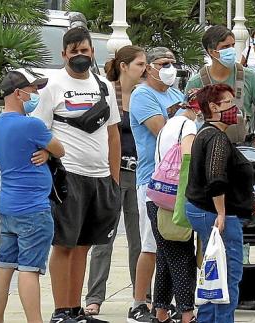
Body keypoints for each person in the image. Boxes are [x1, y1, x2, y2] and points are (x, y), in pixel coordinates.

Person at [32, 27, 121, 323]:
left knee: (84, 245)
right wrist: (47, 153)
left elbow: (112, 133)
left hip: (100, 176)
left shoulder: (104, 86)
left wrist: (114, 175)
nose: (80, 56)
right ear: (64, 54)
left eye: (84, 51)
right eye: (74, 52)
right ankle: (60, 311)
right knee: (64, 244)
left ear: (92, 52)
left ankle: (74, 310)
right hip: (68, 176)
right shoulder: (52, 85)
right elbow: (38, 128)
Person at [0, 70, 64, 323]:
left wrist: (44, 152)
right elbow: (60, 149)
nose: (36, 95)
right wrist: (47, 151)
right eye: (32, 90)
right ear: (18, 93)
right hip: (33, 209)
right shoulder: (31, 125)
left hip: (8, 206)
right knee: (29, 270)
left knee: (3, 264)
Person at [83, 45, 146, 318]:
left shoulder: (145, 94)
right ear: (124, 66)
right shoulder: (108, 91)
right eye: (140, 64)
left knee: (139, 239)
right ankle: (94, 297)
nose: (145, 69)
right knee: (103, 238)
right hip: (111, 172)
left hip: (140, 173)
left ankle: (140, 295)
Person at [184, 84, 254, 322]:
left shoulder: (204, 132)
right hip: (218, 214)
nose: (235, 109)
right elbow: (216, 178)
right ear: (213, 107)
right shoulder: (216, 138)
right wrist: (221, 214)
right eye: (229, 104)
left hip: (201, 210)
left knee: (213, 270)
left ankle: (207, 319)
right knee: (228, 275)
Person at [129, 47, 186, 323]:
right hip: (153, 180)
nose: (170, 68)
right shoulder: (142, 95)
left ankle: (165, 303)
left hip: (179, 180)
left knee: (171, 243)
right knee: (150, 244)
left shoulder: (176, 94)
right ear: (149, 67)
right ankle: (139, 302)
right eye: (164, 63)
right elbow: (163, 129)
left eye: (173, 63)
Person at [186, 25, 255, 156]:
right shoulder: (196, 82)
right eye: (225, 47)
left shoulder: (249, 77)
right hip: (207, 149)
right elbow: (187, 119)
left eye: (232, 45)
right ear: (212, 52)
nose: (231, 50)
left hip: (242, 148)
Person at [147, 101, 200, 323]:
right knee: (181, 256)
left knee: (165, 257)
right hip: (174, 202)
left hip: (157, 198)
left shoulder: (169, 125)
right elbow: (188, 160)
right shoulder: (188, 127)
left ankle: (160, 312)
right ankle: (187, 313)